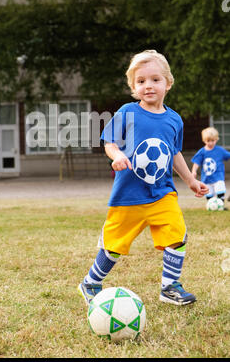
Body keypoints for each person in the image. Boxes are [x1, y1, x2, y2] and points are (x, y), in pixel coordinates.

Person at [78, 50, 208, 306]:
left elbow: (174, 153)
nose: (148, 85)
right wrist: (115, 156)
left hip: (162, 193)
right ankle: (90, 282)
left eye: (155, 80)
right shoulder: (128, 112)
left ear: (168, 84)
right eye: (141, 81)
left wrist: (191, 181)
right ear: (133, 87)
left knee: (177, 233)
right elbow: (109, 142)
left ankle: (169, 287)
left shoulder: (174, 120)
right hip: (128, 195)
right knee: (114, 247)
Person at [191, 127, 230, 209]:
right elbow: (196, 162)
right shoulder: (202, 152)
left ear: (216, 139)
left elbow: (228, 155)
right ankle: (211, 205)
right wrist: (194, 171)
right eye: (208, 141)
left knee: (220, 189)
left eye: (213, 141)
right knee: (209, 193)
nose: (211, 143)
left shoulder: (220, 150)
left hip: (218, 177)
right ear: (204, 140)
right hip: (207, 178)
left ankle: (221, 206)